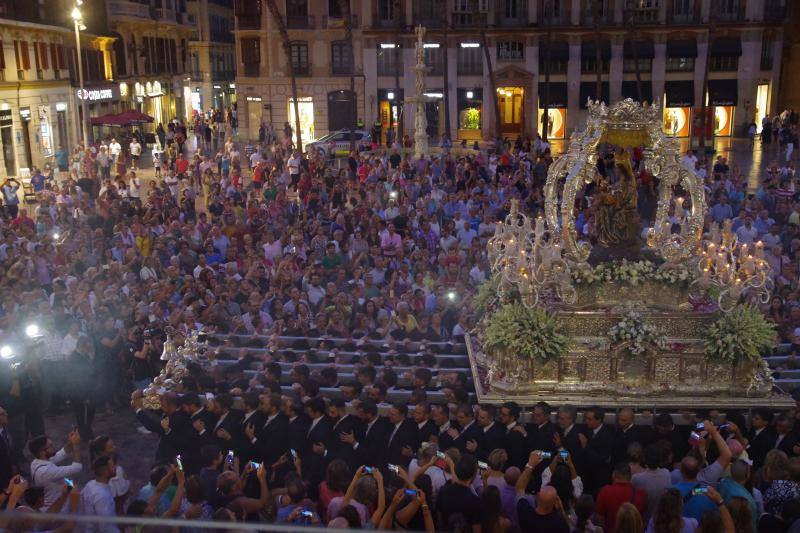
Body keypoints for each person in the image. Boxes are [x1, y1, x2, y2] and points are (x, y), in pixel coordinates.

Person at [28, 431, 83, 508]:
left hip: (58, 496)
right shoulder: (45, 472)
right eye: (50, 446)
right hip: (58, 506)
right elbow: (77, 468)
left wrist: (71, 441)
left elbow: (62, 453)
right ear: (42, 452)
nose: (54, 446)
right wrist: (76, 445)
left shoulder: (36, 461)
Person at [594, 462, 648, 532]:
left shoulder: (605, 491)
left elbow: (599, 520)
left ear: (614, 474)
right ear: (630, 476)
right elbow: (642, 521)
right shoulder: (641, 495)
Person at [80, 455, 120, 532]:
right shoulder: (102, 496)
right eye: (112, 466)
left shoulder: (90, 484)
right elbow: (106, 527)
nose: (116, 467)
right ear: (105, 471)